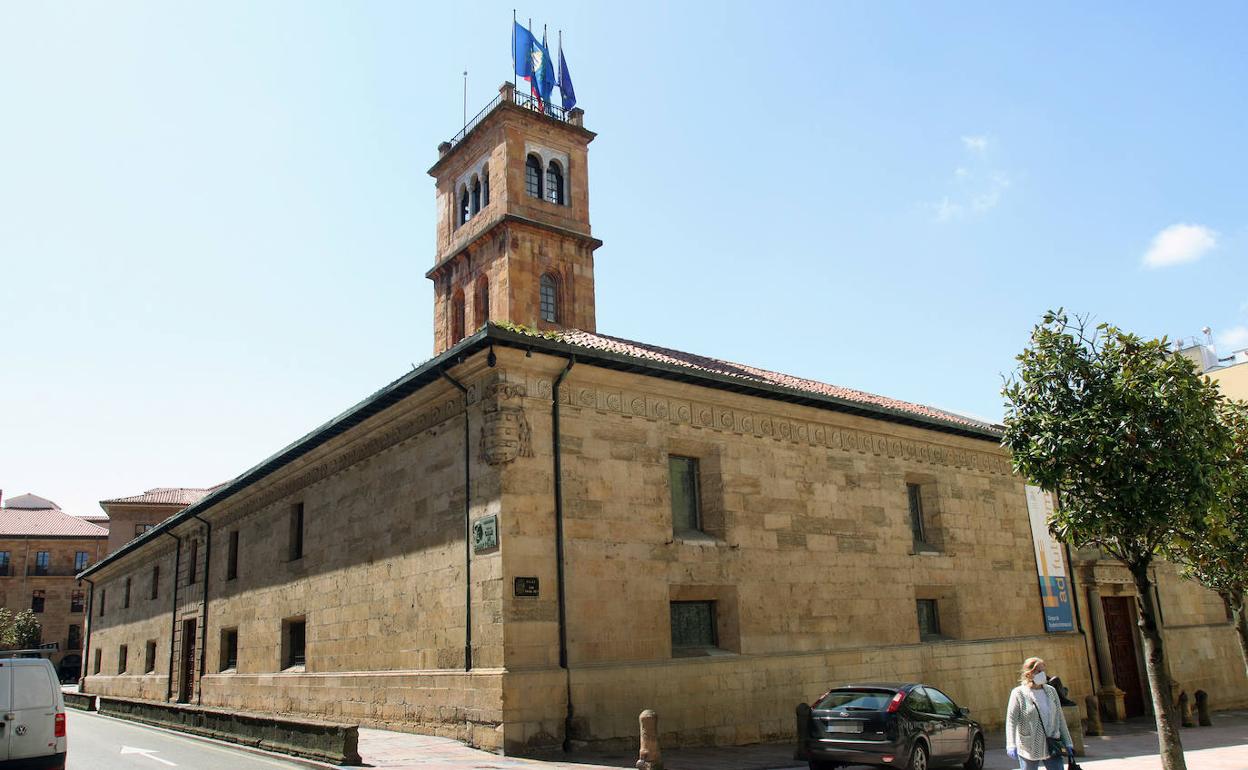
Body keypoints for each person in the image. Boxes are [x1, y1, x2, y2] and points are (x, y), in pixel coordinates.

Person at [1005, 657, 1074, 770]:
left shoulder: (1051, 691)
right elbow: (1011, 721)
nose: (1043, 674)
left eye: (1043, 671)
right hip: (1029, 745)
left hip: (1053, 744)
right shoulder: (1018, 693)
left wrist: (1068, 742)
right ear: (1029, 674)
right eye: (1039, 671)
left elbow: (1060, 718)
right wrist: (1011, 744)